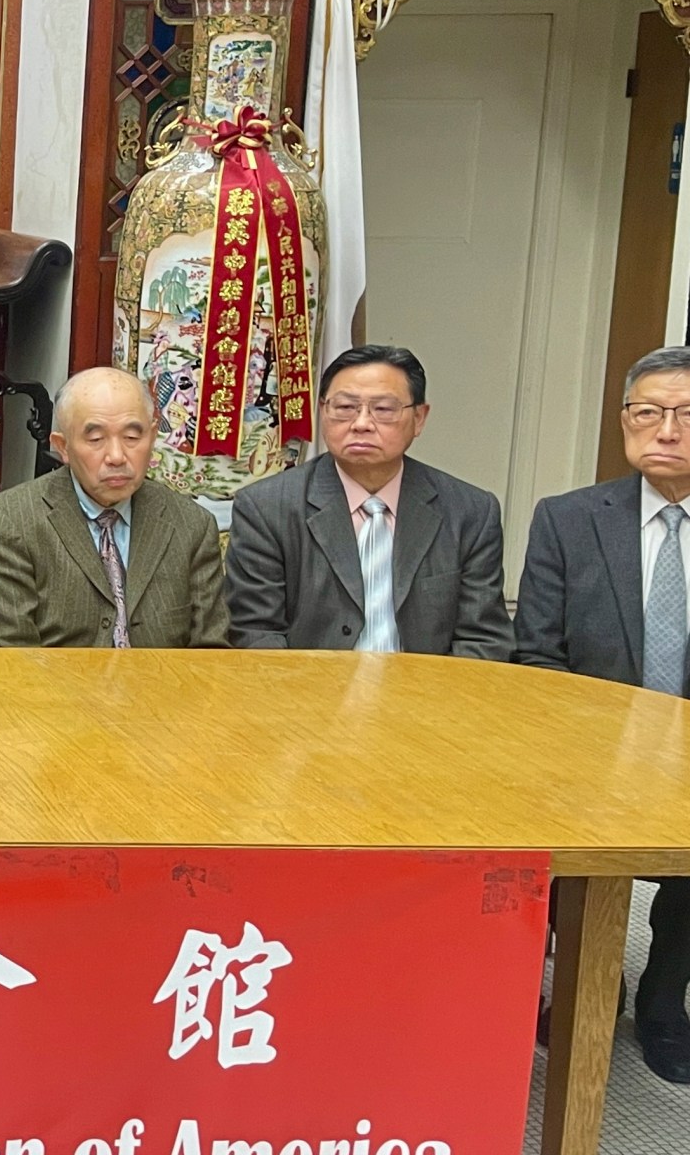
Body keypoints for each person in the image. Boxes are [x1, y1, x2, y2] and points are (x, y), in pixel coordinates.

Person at [516, 345, 690, 1083]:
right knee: (566, 853)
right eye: (647, 411)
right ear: (624, 421)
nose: (666, 430)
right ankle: (595, 981)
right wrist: (571, 756)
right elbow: (537, 659)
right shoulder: (568, 520)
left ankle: (662, 1001)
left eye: (685, 414)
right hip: (587, 750)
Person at [225, 344, 512, 658]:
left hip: (429, 699)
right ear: (322, 411)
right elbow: (256, 635)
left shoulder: (470, 511)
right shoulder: (267, 508)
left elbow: (483, 640)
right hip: (306, 697)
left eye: (383, 409)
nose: (361, 423)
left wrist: (433, 706)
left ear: (419, 418)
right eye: (345, 407)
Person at [0, 366, 227, 649]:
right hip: (55, 691)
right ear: (63, 447)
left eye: (132, 437)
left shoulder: (192, 525)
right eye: (95, 439)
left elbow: (210, 653)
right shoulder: (10, 521)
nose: (117, 456)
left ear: (153, 436)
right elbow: (10, 658)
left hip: (166, 690)